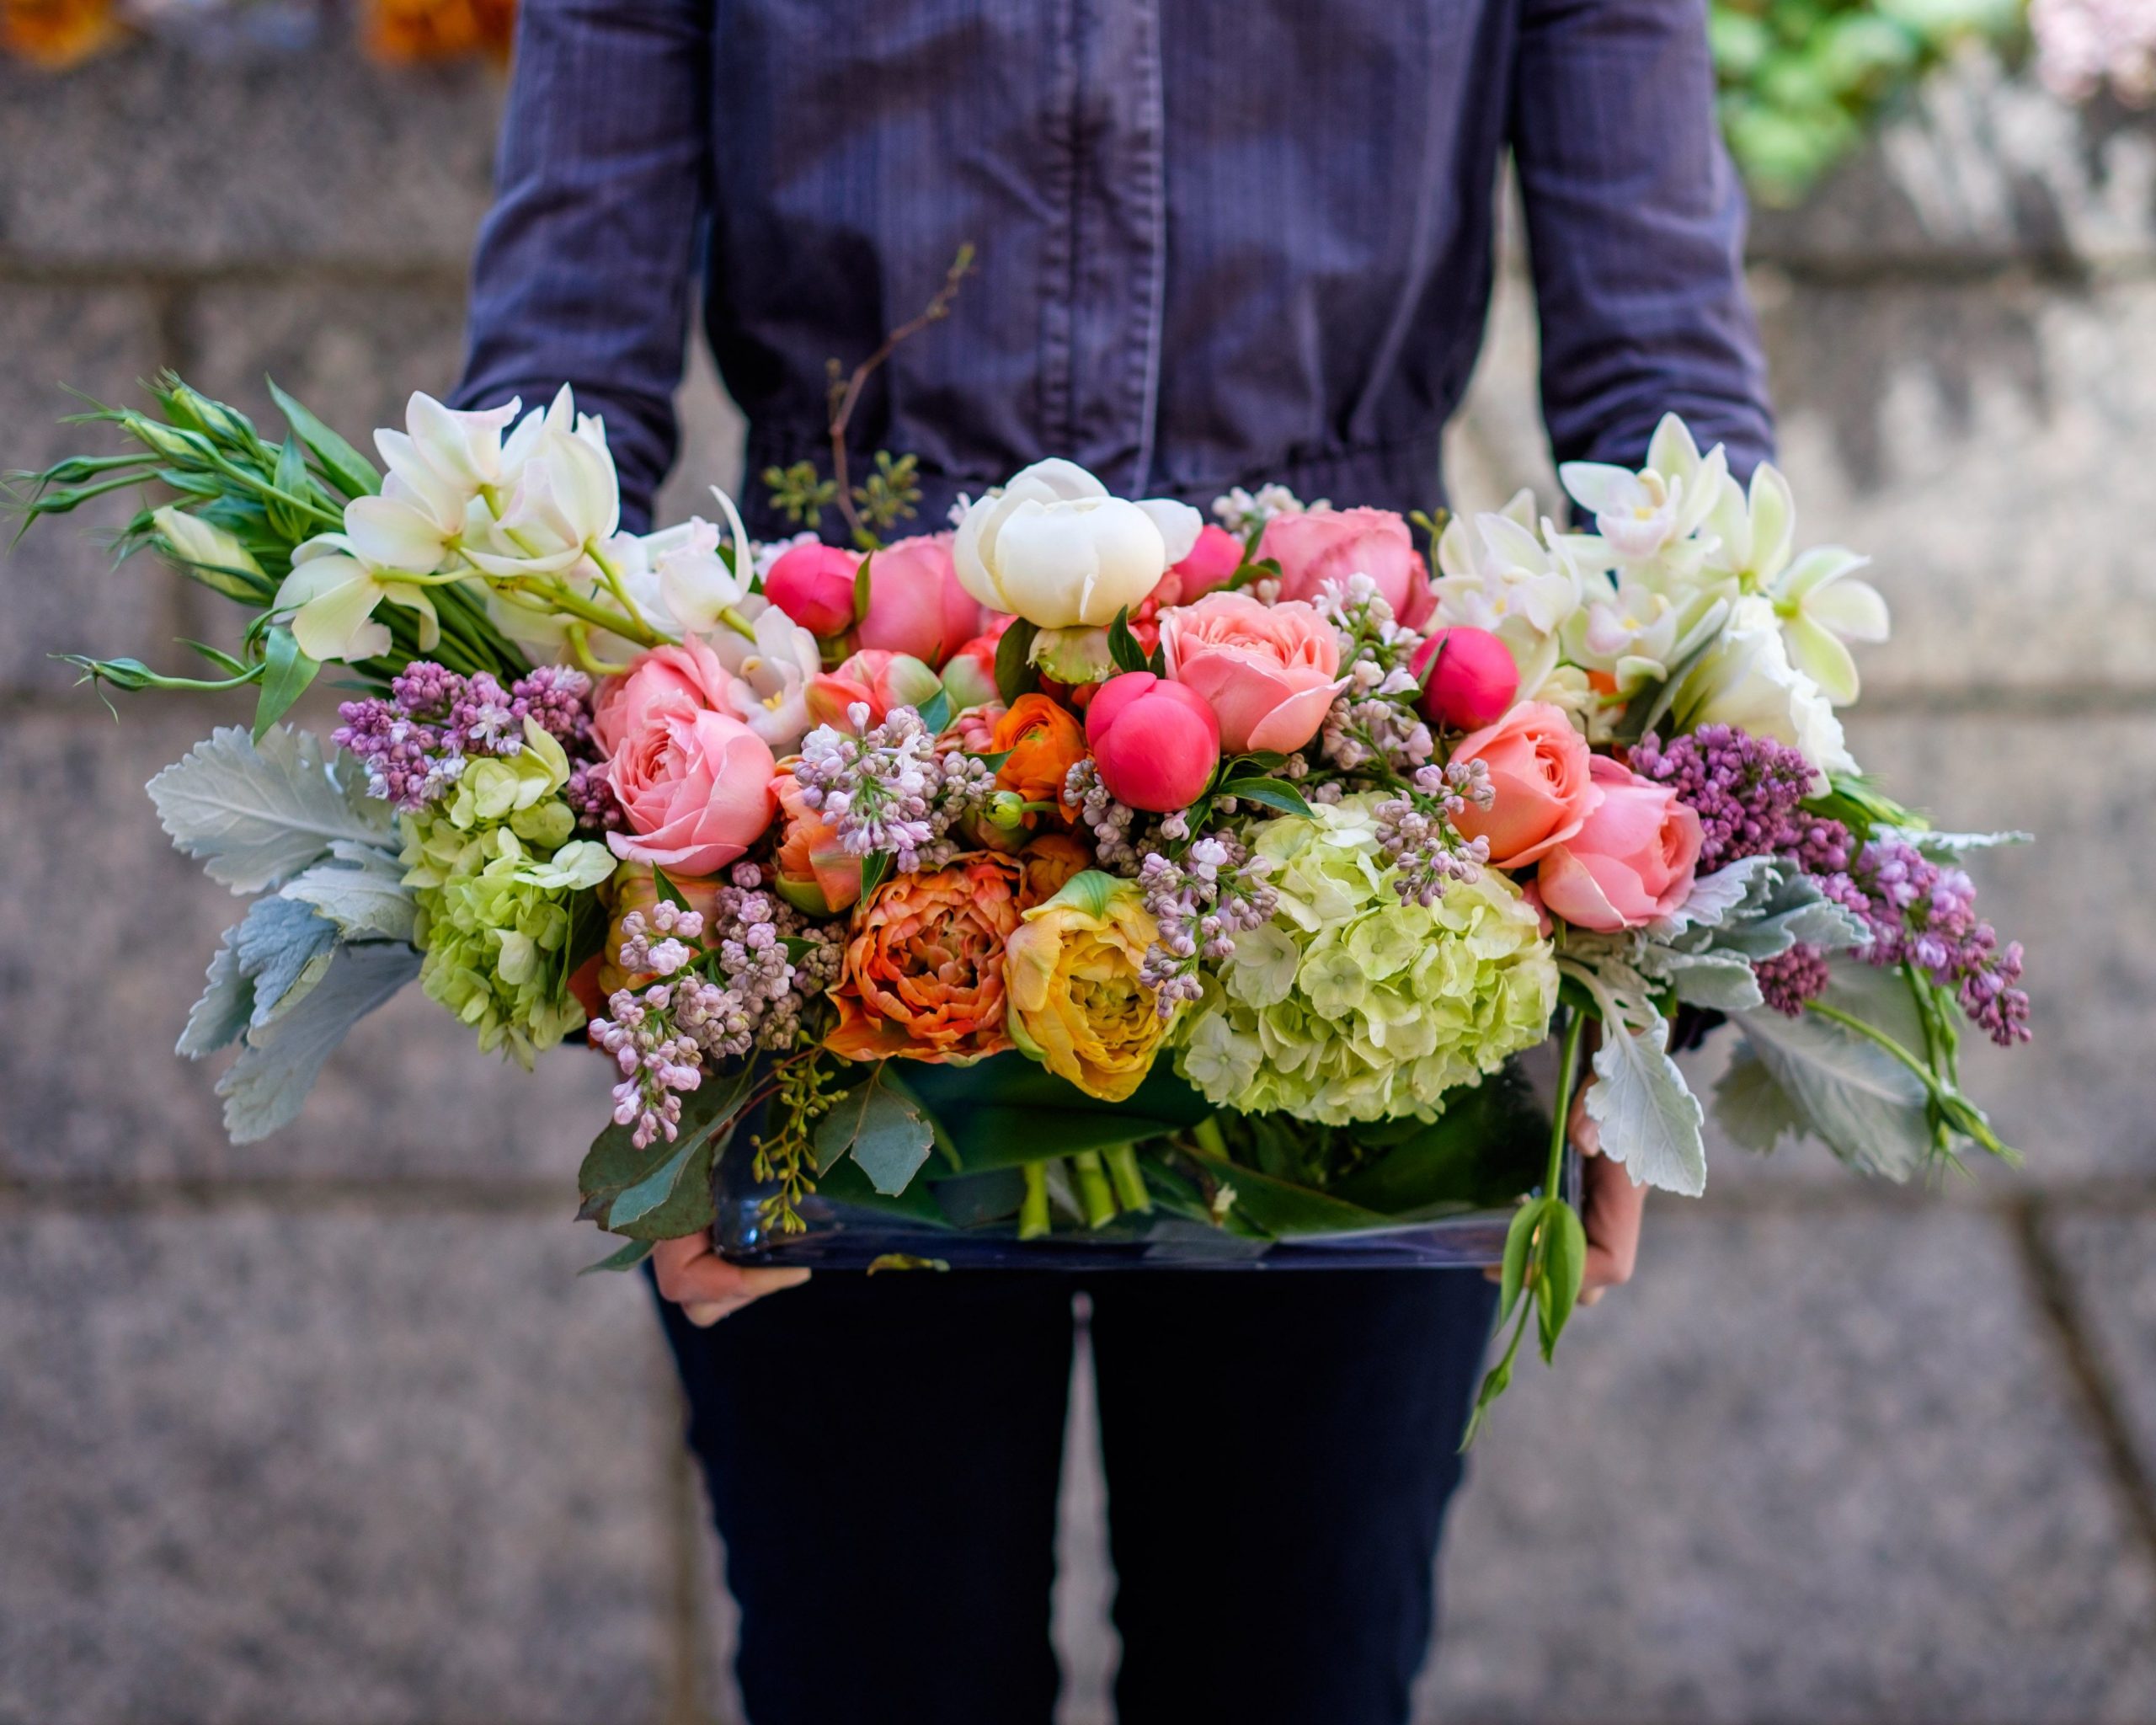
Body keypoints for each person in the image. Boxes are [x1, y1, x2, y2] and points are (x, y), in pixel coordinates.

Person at [455, 3, 1773, 1720]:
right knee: (875, 1674)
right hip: (834, 880)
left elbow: (1661, 405)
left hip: (1354, 914)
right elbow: (552, 414)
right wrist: (624, 953)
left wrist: (1641, 992)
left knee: (1294, 1673)